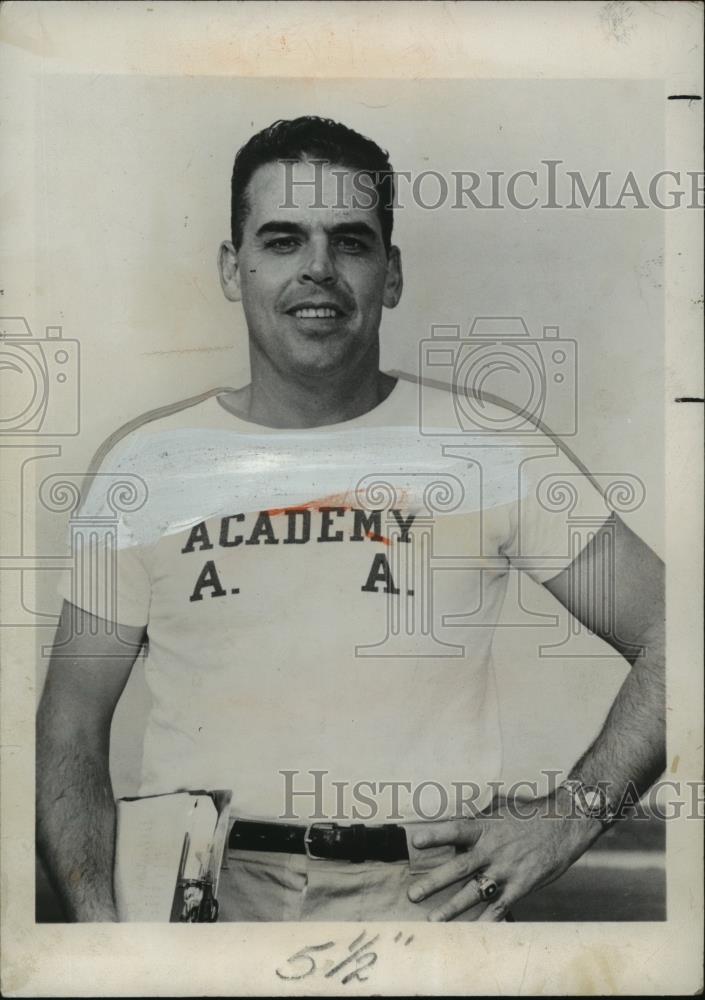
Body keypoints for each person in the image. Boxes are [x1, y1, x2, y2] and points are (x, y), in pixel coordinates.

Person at [36, 116, 665, 923]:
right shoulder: (144, 466)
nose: (318, 270)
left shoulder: (483, 447)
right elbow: (69, 730)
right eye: (283, 240)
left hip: (423, 898)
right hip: (199, 897)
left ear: (390, 274)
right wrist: (104, 936)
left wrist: (570, 815)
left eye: (351, 242)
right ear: (234, 268)